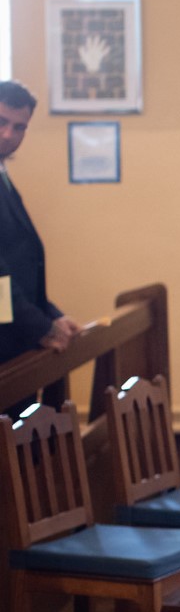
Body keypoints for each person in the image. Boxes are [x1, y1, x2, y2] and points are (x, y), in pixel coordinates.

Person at [0, 80, 82, 416]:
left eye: (19, 127)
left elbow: (16, 261)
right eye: (2, 121)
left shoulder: (3, 175)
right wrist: (41, 327)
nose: (8, 134)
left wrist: (51, 314)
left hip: (12, 337)